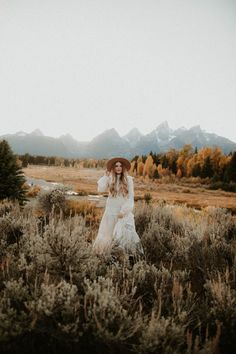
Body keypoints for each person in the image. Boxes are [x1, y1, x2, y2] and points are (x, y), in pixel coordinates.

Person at [92, 157, 144, 261]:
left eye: (121, 165)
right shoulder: (110, 178)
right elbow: (100, 189)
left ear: (123, 167)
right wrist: (105, 176)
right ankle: (107, 257)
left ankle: (124, 259)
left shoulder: (128, 180)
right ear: (113, 168)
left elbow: (130, 198)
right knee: (108, 233)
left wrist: (124, 211)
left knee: (122, 235)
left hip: (122, 213)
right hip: (110, 211)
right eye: (116, 166)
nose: (118, 168)